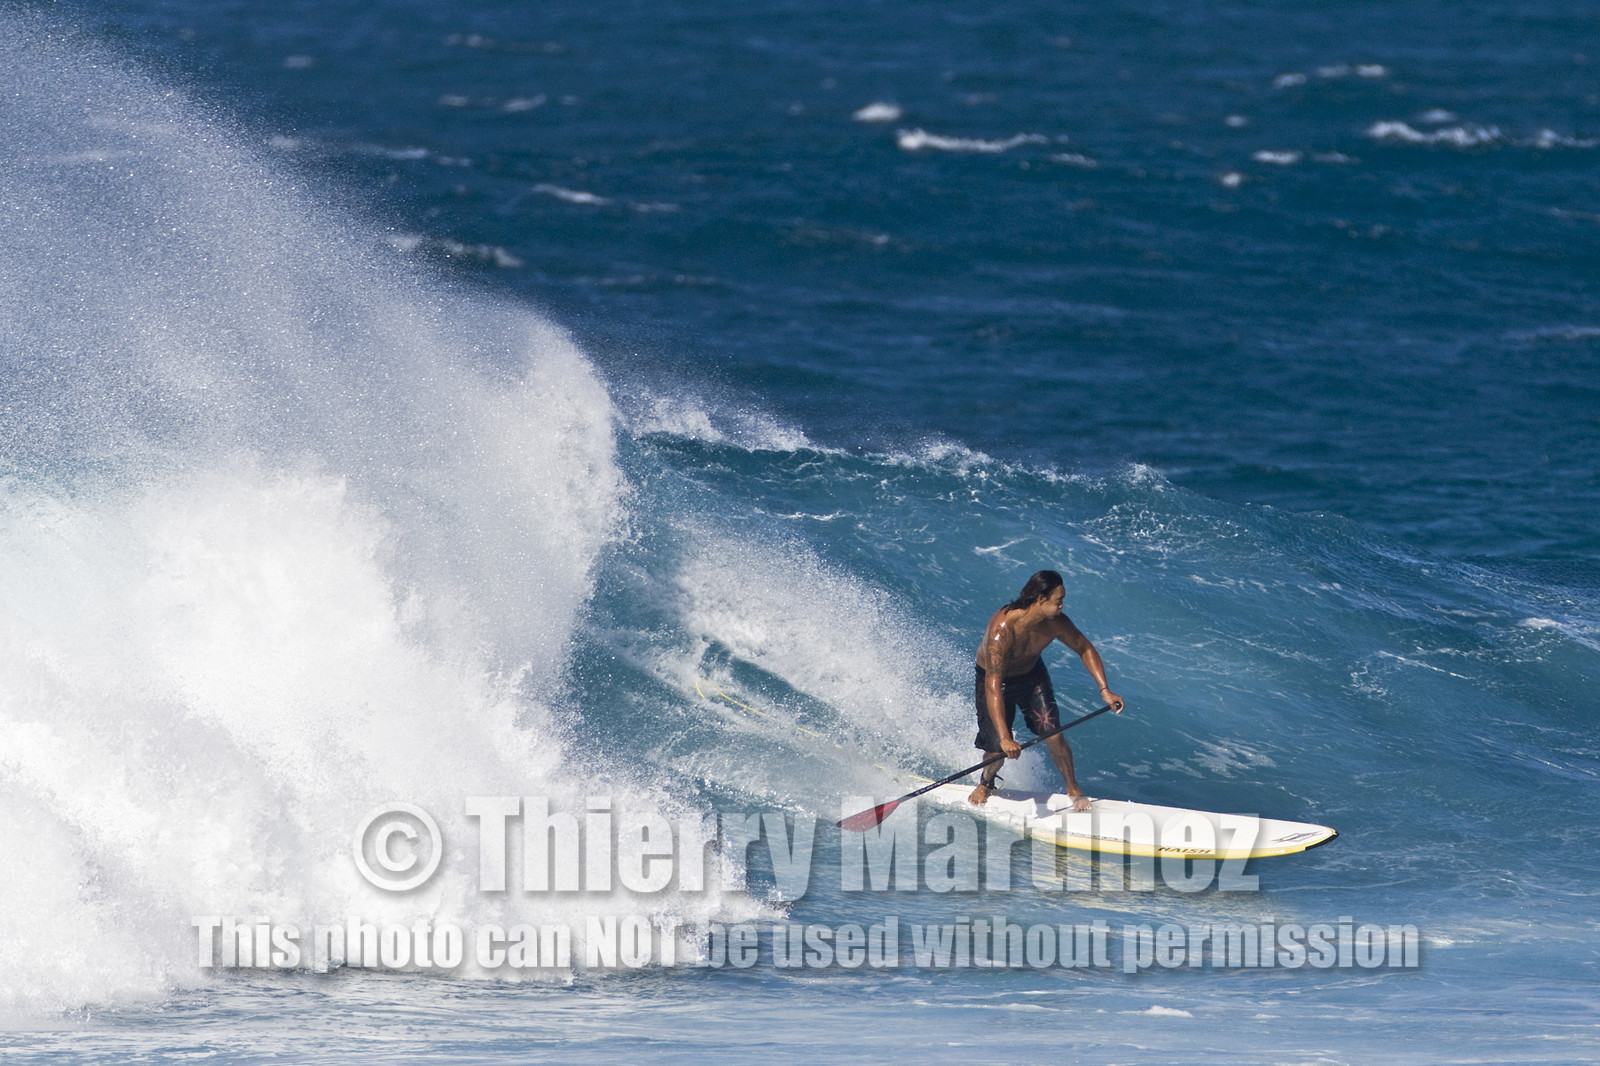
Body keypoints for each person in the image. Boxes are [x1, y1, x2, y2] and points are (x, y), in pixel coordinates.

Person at [970, 570, 1124, 811]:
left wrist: (1105, 690)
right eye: (1058, 600)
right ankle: (986, 784)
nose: (1062, 605)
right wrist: (1005, 737)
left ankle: (1073, 789)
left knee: (1054, 734)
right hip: (993, 682)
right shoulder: (1002, 630)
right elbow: (993, 685)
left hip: (1031, 676)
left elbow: (1085, 648)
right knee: (996, 750)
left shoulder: (1056, 623)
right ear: (1040, 599)